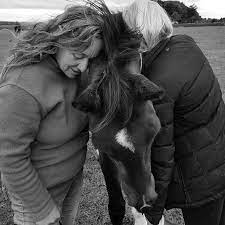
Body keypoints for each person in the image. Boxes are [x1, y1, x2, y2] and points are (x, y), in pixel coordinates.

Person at [0, 2, 104, 225]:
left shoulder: (74, 71)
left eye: (91, 58)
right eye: (78, 54)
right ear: (60, 39)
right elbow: (9, 157)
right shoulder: (22, 85)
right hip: (37, 192)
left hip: (72, 178)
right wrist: (41, 208)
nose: (84, 67)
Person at [122, 1, 225, 225]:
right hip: (217, 157)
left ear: (137, 33)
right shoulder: (185, 45)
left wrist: (152, 212)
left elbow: (160, 157)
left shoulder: (158, 83)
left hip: (202, 181)